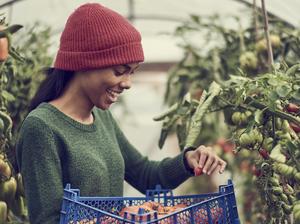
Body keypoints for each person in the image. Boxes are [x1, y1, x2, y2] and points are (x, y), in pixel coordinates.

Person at [16, 3, 227, 224]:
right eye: (120, 71)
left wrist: (187, 160)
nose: (127, 83)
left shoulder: (102, 117)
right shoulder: (42, 128)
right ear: (84, 63)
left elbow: (146, 175)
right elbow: (47, 220)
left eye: (132, 72)